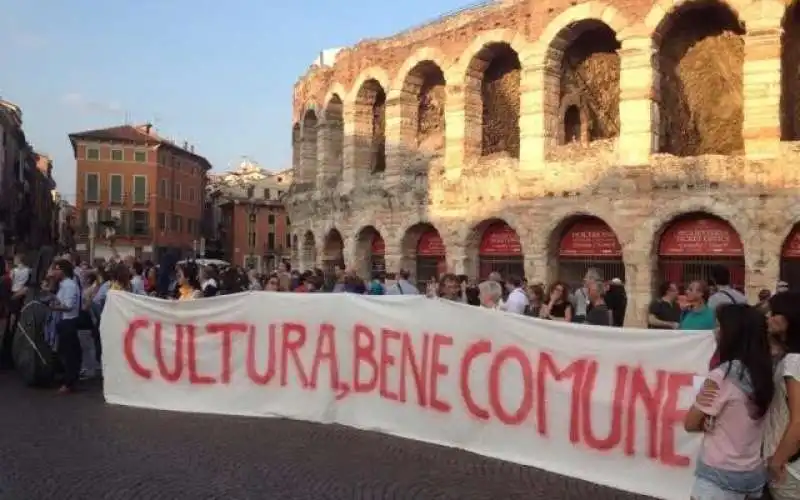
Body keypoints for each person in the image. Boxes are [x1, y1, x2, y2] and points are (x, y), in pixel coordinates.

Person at [686, 304, 774, 499]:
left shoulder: (721, 375)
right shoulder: (766, 371)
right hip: (753, 475)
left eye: (719, 327)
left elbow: (690, 423)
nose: (716, 332)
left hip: (717, 479)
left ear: (732, 333)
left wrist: (704, 419)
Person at [762, 291, 800, 500]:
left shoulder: (794, 362)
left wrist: (778, 460)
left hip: (788, 468)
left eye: (774, 313)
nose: (769, 318)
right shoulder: (789, 356)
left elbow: (798, 421)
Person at [49, 259, 82, 393]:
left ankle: (69, 382)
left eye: (57, 269)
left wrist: (53, 307)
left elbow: (68, 306)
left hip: (68, 321)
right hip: (64, 321)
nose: (54, 272)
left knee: (68, 353)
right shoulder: (63, 284)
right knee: (67, 352)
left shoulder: (69, 285)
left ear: (63, 270)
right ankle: (68, 379)